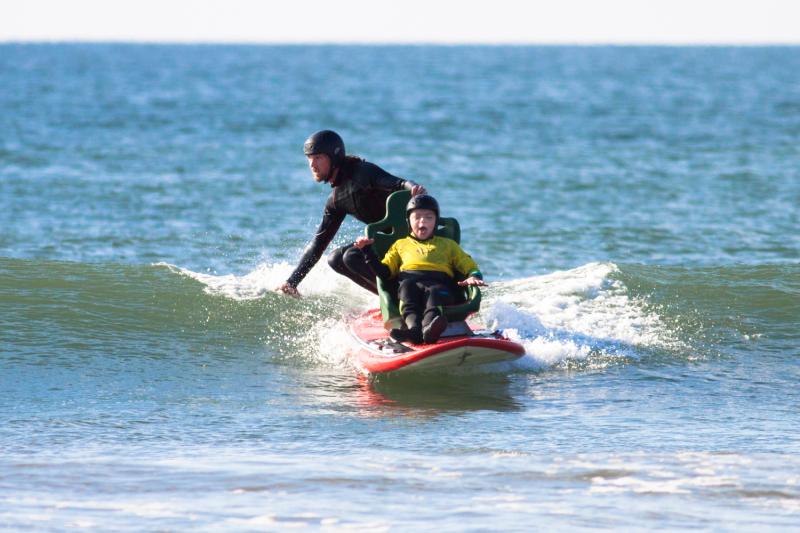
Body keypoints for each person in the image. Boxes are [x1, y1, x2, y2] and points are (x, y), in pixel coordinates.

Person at [275, 130, 426, 297]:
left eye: (318, 157)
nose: (312, 164)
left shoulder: (363, 172)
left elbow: (400, 183)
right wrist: (292, 282)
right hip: (384, 244)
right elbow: (318, 245)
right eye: (309, 158)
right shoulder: (336, 200)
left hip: (407, 239)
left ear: (334, 157)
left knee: (352, 256)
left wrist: (414, 188)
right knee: (335, 259)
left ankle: (404, 297)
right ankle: (389, 298)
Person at [354, 194, 486, 344]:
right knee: (407, 289)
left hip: (440, 283)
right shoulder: (400, 245)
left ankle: (429, 329)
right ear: (408, 222)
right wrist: (366, 251)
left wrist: (474, 275)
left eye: (429, 217)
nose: (422, 221)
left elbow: (466, 263)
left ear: (435, 221)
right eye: (417, 217)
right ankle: (414, 331)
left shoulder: (448, 245)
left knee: (435, 293)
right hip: (409, 281)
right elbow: (384, 272)